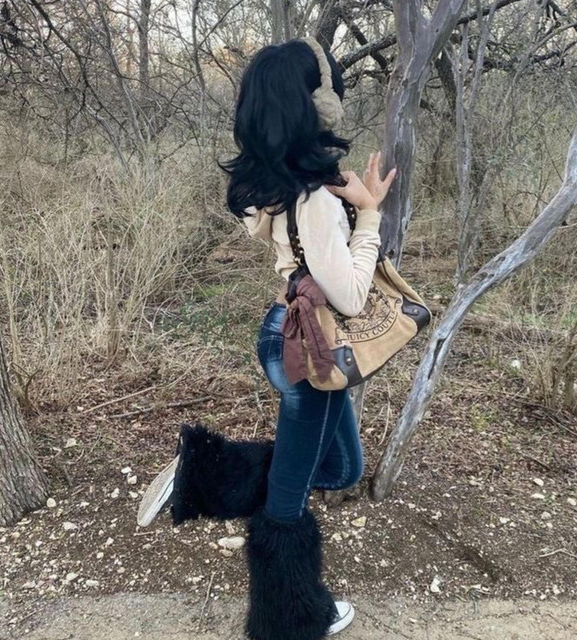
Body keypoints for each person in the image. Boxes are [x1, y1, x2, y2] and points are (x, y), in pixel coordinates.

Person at [136, 36, 396, 640]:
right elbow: (351, 295)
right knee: (288, 502)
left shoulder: (273, 181)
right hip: (310, 349)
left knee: (342, 468)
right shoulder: (316, 199)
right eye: (327, 91)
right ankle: (291, 620)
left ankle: (202, 471)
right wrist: (369, 215)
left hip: (288, 333)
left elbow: (280, 242)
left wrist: (345, 207)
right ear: (314, 106)